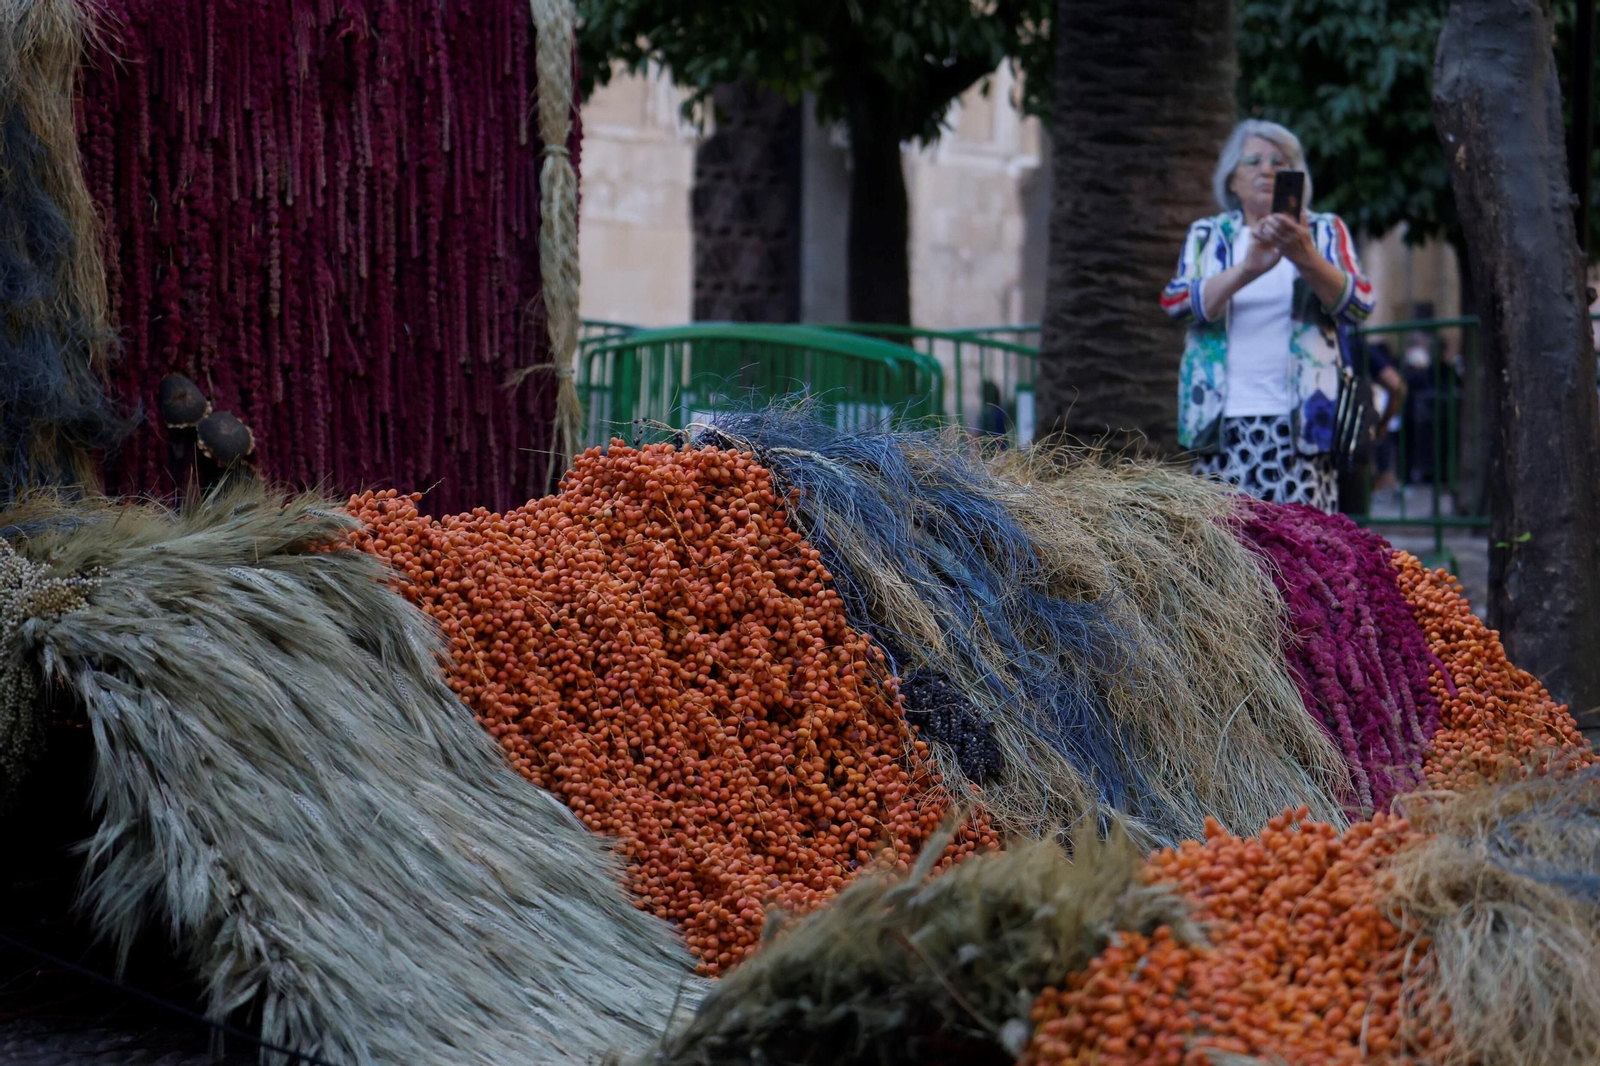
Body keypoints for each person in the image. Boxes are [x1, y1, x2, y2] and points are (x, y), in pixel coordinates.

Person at [1161, 120, 1375, 510]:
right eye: (1254, 161)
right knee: (1228, 554)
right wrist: (1248, 269)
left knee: (1304, 555)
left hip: (1305, 426)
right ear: (1231, 180)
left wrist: (1305, 256)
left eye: (1280, 161)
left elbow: (1359, 304)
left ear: (1298, 177)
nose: (1267, 170)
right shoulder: (1208, 236)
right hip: (1218, 424)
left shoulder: (1325, 232)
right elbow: (1176, 304)